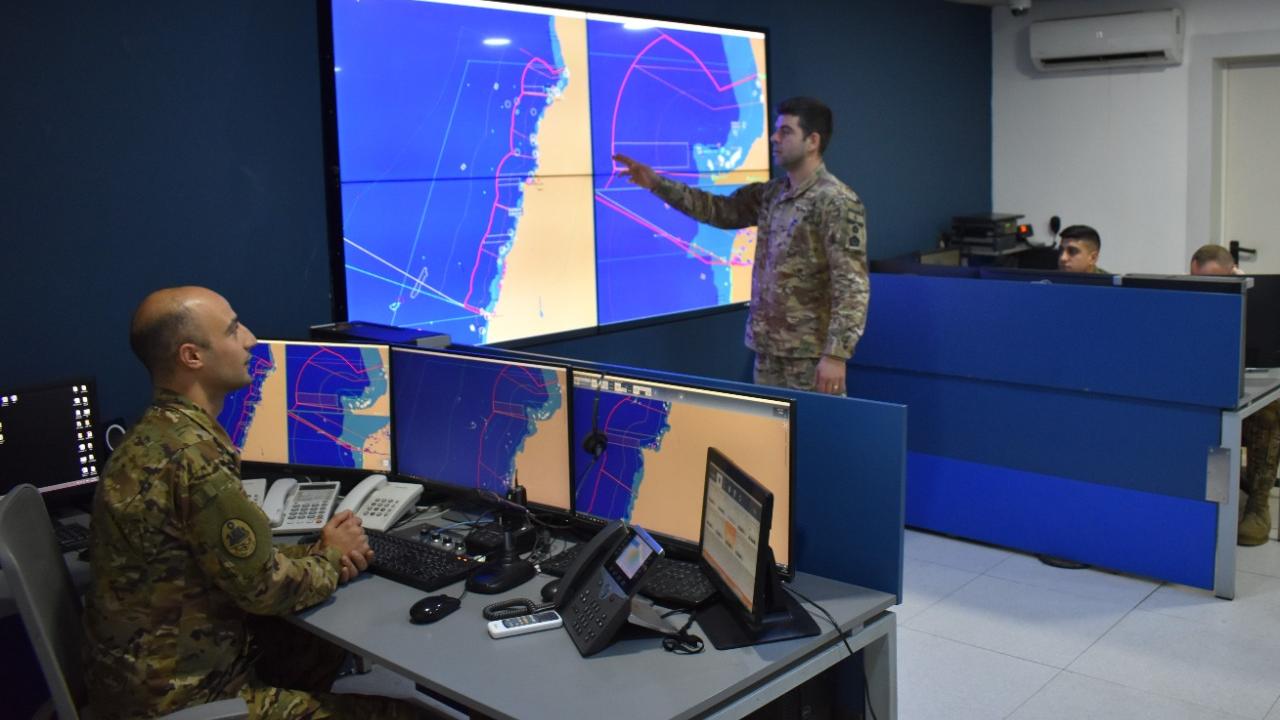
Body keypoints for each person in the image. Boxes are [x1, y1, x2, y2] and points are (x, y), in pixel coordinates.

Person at [82, 287, 426, 719]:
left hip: (139, 683)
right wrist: (333, 558)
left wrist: (319, 549)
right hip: (186, 702)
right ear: (192, 357)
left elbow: (231, 565)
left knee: (316, 646)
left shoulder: (152, 436)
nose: (250, 339)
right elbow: (265, 589)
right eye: (232, 331)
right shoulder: (195, 457)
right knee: (407, 715)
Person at [613, 97, 868, 395]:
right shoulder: (772, 193)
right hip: (768, 350)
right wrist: (658, 184)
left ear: (813, 141)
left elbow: (852, 285)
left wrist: (836, 354)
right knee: (771, 426)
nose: (774, 138)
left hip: (810, 356)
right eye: (776, 130)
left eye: (785, 131)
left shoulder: (836, 201)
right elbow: (719, 210)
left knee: (816, 426)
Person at [1190, 248, 1276, 545]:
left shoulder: (1259, 300)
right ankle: (1205, 497)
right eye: (1198, 280)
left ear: (1233, 272)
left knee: (1269, 413)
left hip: (1252, 386)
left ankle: (1258, 505)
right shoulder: (1187, 302)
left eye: (1217, 280)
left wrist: (1245, 290)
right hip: (1205, 390)